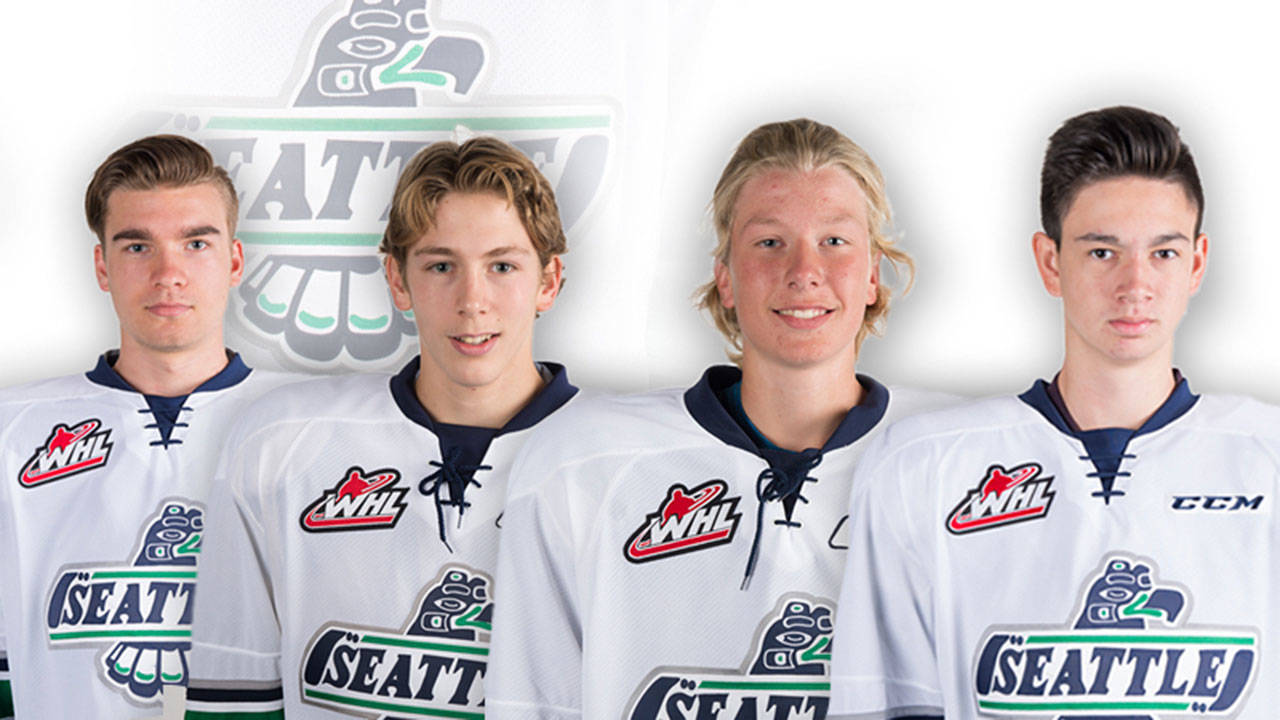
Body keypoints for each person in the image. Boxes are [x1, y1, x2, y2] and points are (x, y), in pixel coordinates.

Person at [486, 118, 952, 718]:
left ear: (871, 275)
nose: (804, 270)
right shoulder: (583, 462)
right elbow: (529, 703)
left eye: (835, 241)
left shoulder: (948, 460)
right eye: (768, 242)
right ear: (725, 278)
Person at [829, 106, 1280, 719]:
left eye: (1164, 254)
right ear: (1051, 261)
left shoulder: (1267, 462)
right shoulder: (925, 467)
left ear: (1197, 263)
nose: (1135, 284)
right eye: (1102, 252)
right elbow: (884, 705)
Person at [182, 136, 577, 718]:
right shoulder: (283, 441)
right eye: (441, 265)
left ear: (548, 280)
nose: (473, 300)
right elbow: (234, 699)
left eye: (502, 265)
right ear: (397, 279)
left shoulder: (619, 462)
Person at [0, 134, 293, 718]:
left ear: (234, 261)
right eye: (137, 246)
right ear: (102, 266)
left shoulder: (307, 423)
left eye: (196, 243)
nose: (168, 273)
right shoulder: (11, 430)